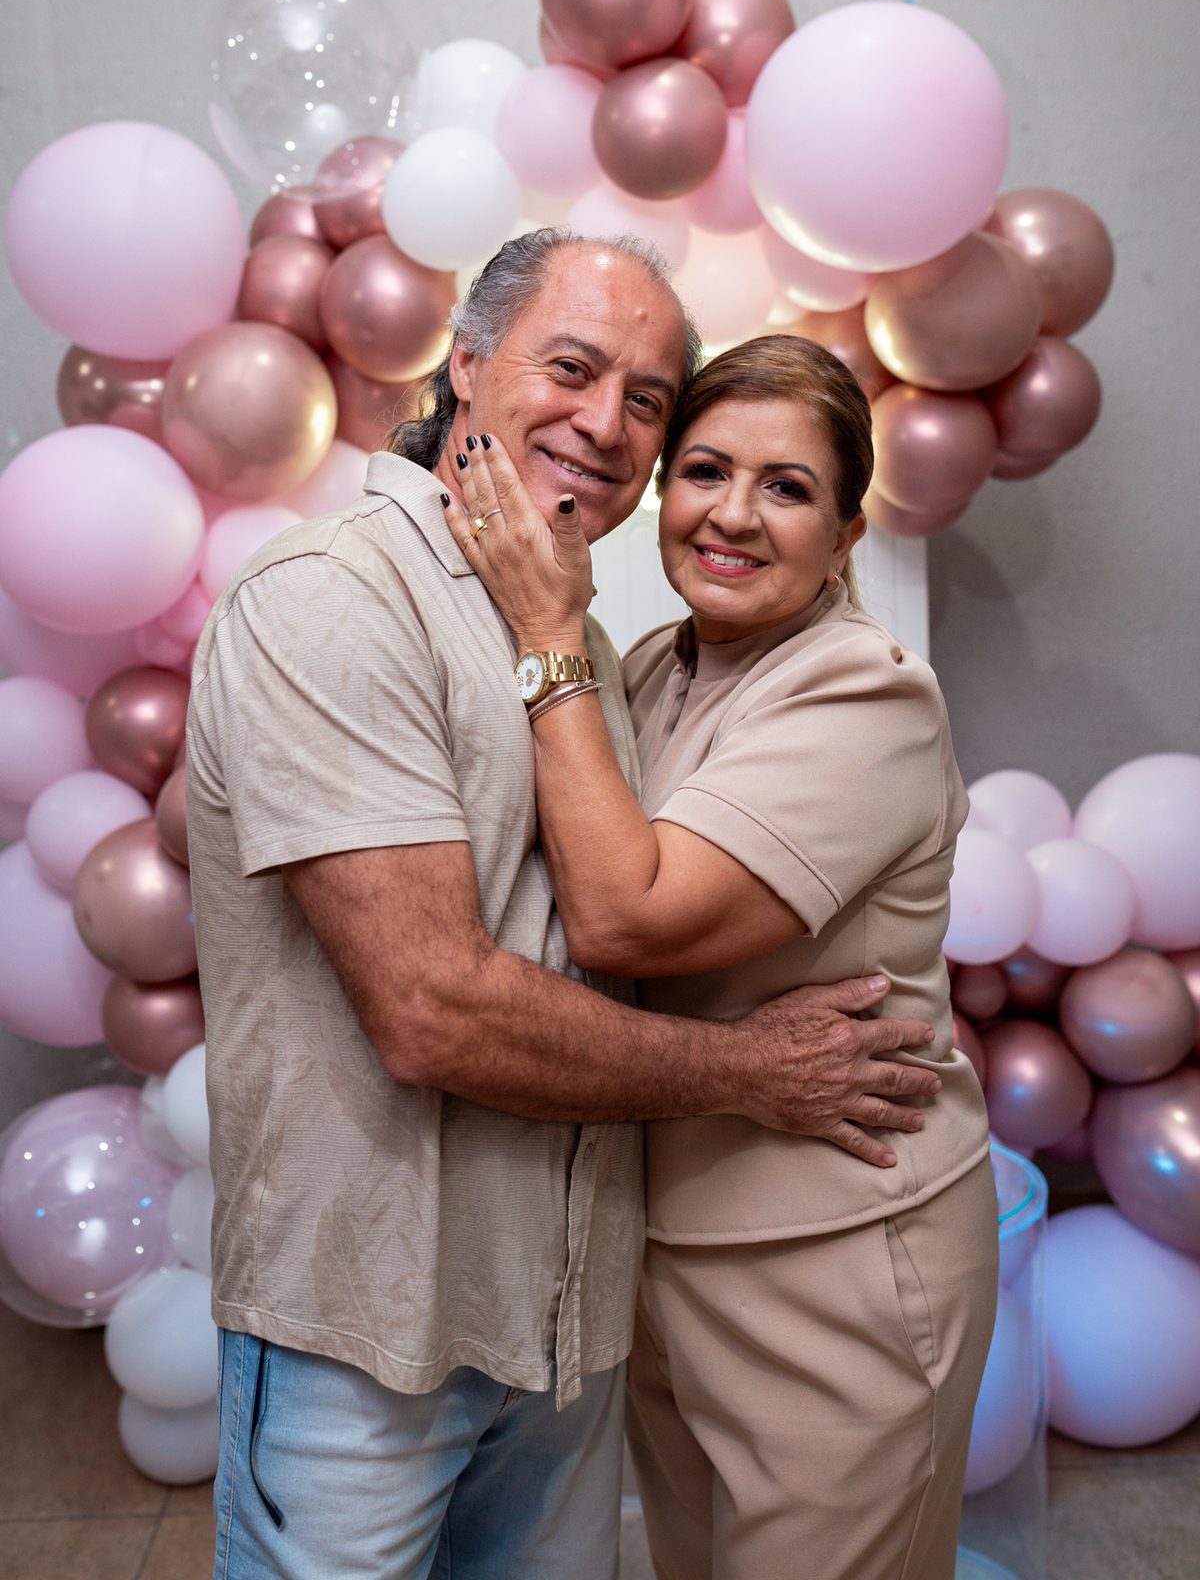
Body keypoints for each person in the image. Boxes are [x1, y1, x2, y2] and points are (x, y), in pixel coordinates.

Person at [187, 233, 941, 1580]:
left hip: (567, 1324)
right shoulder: (335, 598)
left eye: (647, 399)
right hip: (373, 1330)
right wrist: (751, 1071)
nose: (606, 424)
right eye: (573, 369)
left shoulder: (581, 638)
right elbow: (433, 1009)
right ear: (467, 365)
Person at [443, 330, 997, 1580]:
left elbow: (627, 918)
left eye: (786, 487)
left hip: (836, 1260)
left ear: (846, 536)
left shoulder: (869, 697)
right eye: (704, 471)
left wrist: (547, 625)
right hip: (666, 1241)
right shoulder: (654, 669)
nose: (732, 515)